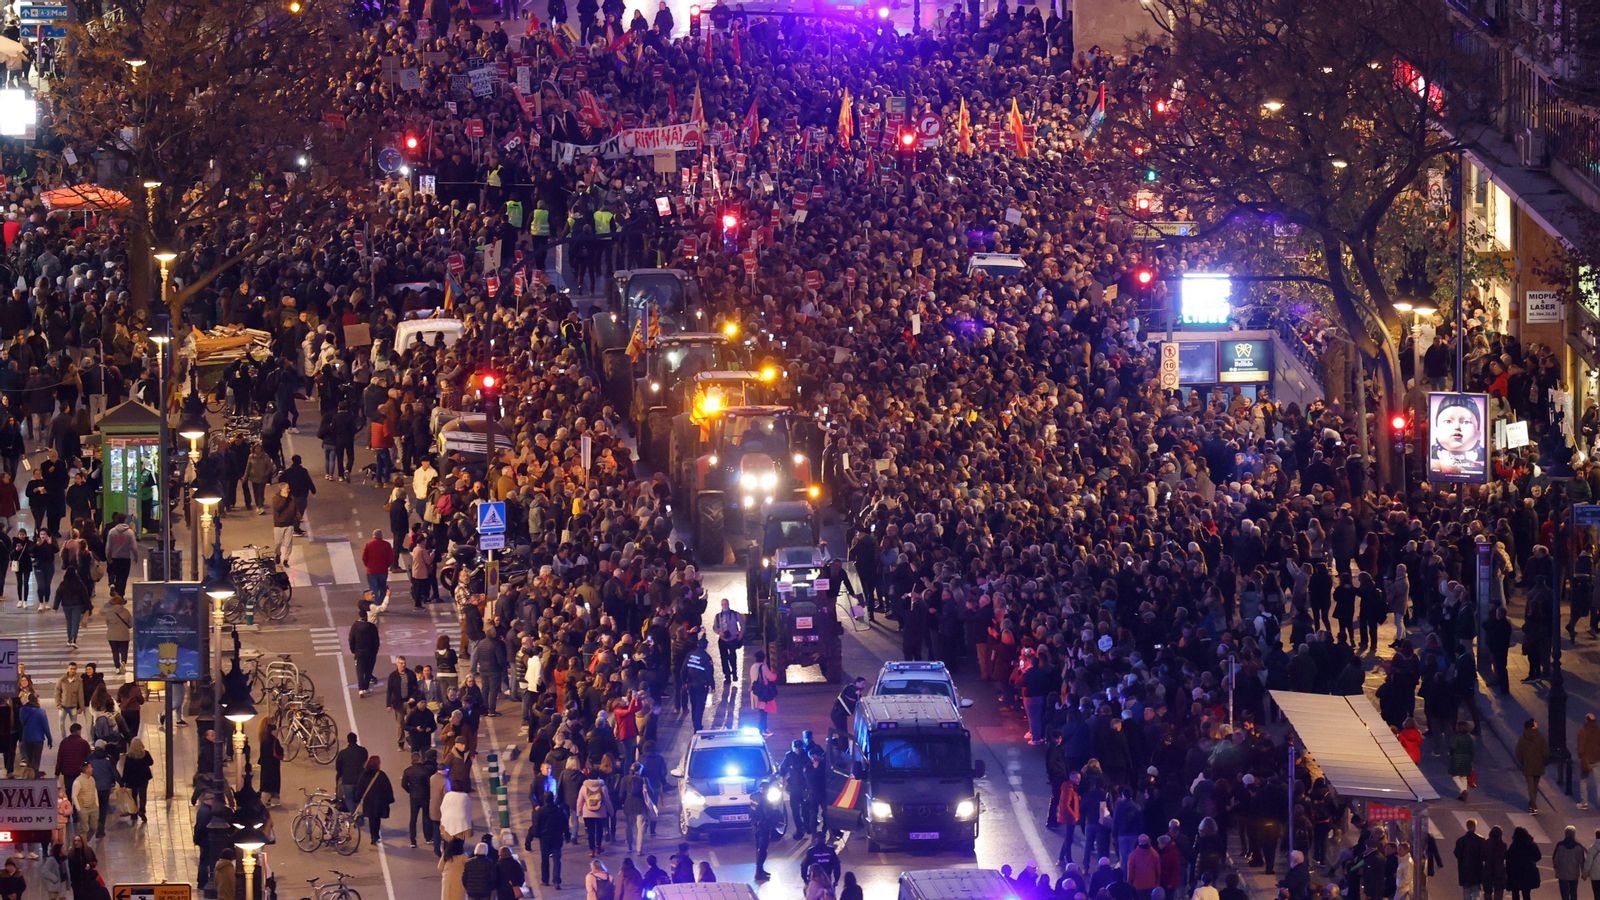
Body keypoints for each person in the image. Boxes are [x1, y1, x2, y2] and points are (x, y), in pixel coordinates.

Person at [532, 791, 568, 888]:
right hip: (557, 838)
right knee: (557, 860)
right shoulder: (559, 811)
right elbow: (565, 824)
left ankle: (545, 880)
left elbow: (536, 825)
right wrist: (567, 835)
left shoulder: (540, 811)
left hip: (545, 839)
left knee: (545, 860)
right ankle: (556, 881)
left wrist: (537, 834)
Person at [357, 755, 395, 844]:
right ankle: (376, 836)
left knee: (371, 819)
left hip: (368, 802)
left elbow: (360, 788)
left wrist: (358, 798)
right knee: (377, 819)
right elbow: (387, 788)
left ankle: (373, 836)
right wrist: (389, 800)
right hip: (379, 802)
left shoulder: (364, 775)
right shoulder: (381, 775)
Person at [1515, 718, 1550, 814]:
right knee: (1535, 786)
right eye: (1535, 723)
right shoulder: (1540, 738)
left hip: (1528, 766)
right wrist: (1544, 763)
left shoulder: (1523, 738)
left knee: (1530, 786)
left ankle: (1532, 803)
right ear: (1532, 726)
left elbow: (1518, 752)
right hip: (1538, 765)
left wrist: (1523, 762)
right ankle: (1533, 805)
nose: (1537, 724)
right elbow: (1546, 753)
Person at [576, 766, 612, 856]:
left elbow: (580, 801)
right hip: (600, 813)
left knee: (590, 832)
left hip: (587, 813)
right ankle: (599, 848)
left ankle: (592, 850)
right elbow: (607, 800)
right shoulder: (602, 787)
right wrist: (611, 811)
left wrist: (579, 812)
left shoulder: (584, 787)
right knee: (599, 831)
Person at [680, 636, 713, 732]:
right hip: (702, 686)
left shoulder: (690, 655)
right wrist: (712, 685)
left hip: (691, 685)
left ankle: (695, 723)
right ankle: (698, 725)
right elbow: (709, 672)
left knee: (694, 705)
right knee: (700, 705)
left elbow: (683, 670)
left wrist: (684, 682)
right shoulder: (706, 657)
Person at [334, 733, 369, 813]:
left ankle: (354, 814)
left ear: (348, 741)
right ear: (356, 739)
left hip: (347, 781)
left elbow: (338, 767)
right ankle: (359, 813)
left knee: (349, 799)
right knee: (359, 799)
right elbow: (365, 762)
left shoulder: (342, 753)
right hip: (360, 780)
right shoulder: (363, 751)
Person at [121, 737, 153, 823]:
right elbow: (151, 762)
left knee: (133, 796)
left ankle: (134, 813)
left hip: (132, 780)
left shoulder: (129, 756)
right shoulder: (145, 754)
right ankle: (142, 810)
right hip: (143, 778)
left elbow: (126, 769)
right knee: (143, 795)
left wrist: (123, 781)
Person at [350, 608, 381, 697]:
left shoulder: (355, 626)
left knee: (359, 670)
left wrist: (353, 650)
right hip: (370, 652)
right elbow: (376, 640)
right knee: (368, 670)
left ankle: (361, 689)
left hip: (359, 652)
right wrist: (375, 651)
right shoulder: (372, 627)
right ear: (366, 616)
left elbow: (351, 639)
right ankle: (366, 687)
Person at [712, 597, 744, 682]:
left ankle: (734, 673)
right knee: (724, 658)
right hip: (723, 640)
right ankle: (727, 676)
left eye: (725, 604)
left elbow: (742, 623)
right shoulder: (718, 616)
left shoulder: (734, 614)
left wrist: (740, 633)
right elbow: (715, 627)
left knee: (732, 657)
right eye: (723, 604)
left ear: (728, 604)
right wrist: (719, 632)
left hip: (733, 639)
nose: (724, 606)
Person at [748, 648, 778, 736]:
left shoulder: (753, 666)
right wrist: (775, 674)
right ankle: (762, 729)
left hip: (755, 692)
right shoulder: (763, 667)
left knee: (762, 711)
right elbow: (771, 677)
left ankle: (763, 728)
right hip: (762, 692)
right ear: (763, 658)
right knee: (763, 712)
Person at [363, 529, 396, 608]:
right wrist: (387, 565)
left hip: (371, 571)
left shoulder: (368, 545)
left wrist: (368, 566)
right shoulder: (386, 545)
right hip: (383, 571)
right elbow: (391, 558)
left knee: (373, 589)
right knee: (382, 588)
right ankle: (381, 603)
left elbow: (364, 558)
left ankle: (375, 604)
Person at [1507, 825, 1542, 900]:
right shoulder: (1531, 844)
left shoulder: (1514, 846)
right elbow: (1538, 856)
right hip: (1528, 871)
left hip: (1515, 872)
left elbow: (1509, 859)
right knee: (1526, 893)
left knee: (1515, 893)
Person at [102, 593, 132, 674]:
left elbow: (107, 623)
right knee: (124, 651)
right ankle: (123, 662)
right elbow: (131, 624)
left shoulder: (109, 612)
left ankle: (117, 667)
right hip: (124, 635)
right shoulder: (126, 611)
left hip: (112, 636)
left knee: (115, 651)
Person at [1555, 825, 1586, 900]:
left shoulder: (1560, 845)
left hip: (1562, 874)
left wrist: (1556, 869)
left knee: (1564, 895)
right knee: (1573, 893)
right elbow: (1582, 861)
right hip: (1574, 874)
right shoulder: (1578, 847)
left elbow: (1555, 859)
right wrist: (1584, 873)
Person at [270, 483, 298, 560]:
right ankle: (278, 553)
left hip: (289, 524)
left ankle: (286, 559)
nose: (289, 490)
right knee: (278, 543)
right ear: (282, 489)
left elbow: (295, 508)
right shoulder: (275, 498)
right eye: (287, 488)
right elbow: (278, 508)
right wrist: (284, 498)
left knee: (288, 544)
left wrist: (297, 517)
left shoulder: (292, 497)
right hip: (279, 525)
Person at [1581, 712, 1600, 810]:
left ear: (1586, 720)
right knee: (1599, 783)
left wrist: (1582, 758)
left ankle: (1584, 803)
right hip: (1597, 760)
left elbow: (1580, 748)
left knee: (1583, 781)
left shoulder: (1583, 731)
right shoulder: (1598, 731)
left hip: (1586, 760)